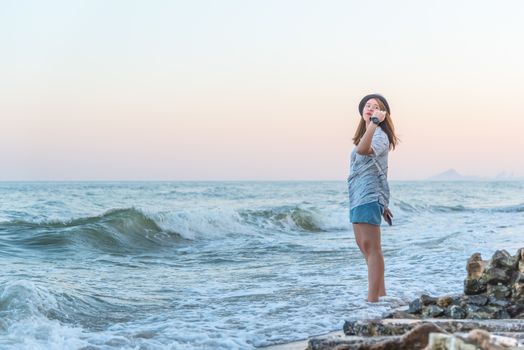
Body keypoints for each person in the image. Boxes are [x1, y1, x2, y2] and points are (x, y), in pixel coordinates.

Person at [347, 93, 399, 302]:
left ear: (383, 113)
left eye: (375, 106)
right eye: (367, 106)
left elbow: (362, 151)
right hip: (359, 197)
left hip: (368, 196)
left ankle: (372, 301)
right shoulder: (369, 133)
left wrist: (374, 123)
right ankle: (381, 295)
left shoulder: (379, 135)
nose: (369, 108)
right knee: (365, 247)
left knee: (372, 249)